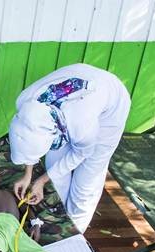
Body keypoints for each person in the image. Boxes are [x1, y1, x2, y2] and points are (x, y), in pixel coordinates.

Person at [9, 63, 131, 233]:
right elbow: (29, 135)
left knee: (86, 183)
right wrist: (28, 176)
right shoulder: (25, 103)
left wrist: (42, 180)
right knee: (54, 166)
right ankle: (61, 215)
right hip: (77, 95)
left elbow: (82, 153)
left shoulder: (81, 124)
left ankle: (74, 233)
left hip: (110, 106)